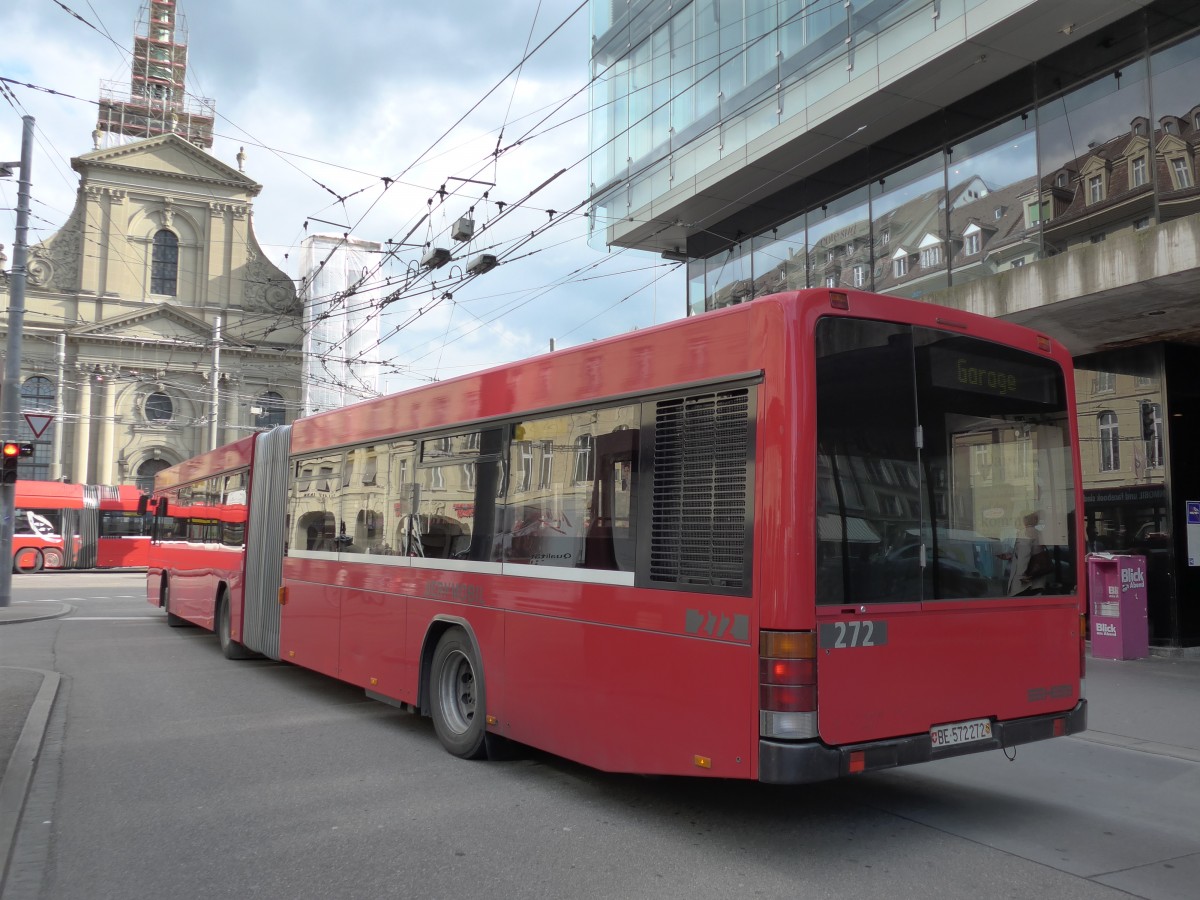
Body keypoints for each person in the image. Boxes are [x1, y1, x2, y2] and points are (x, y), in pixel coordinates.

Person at [1006, 511, 1047, 596]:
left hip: (1026, 584)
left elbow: (1024, 556)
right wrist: (1013, 555)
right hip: (1037, 579)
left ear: (1024, 520)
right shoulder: (1037, 532)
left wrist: (1021, 576)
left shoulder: (1025, 533)